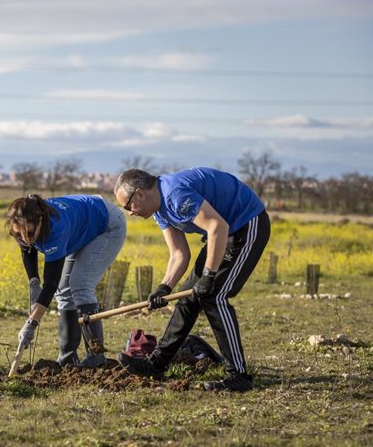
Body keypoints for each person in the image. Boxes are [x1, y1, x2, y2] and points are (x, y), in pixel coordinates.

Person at [113, 167, 270, 391]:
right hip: (221, 235)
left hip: (246, 226)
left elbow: (217, 226)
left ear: (140, 193)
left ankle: (239, 375)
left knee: (214, 296)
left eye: (128, 206)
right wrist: (164, 287)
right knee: (188, 298)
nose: (130, 212)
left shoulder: (175, 196)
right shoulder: (158, 210)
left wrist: (209, 276)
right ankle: (157, 364)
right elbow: (179, 254)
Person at [7, 194, 126, 367]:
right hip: (80, 228)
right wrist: (33, 281)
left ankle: (96, 357)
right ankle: (68, 357)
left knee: (80, 285)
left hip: (106, 225)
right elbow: (28, 249)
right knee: (63, 290)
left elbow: (50, 283)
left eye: (30, 233)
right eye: (18, 234)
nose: (25, 239)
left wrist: (31, 323)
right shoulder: (24, 223)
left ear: (41, 220)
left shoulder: (56, 229)